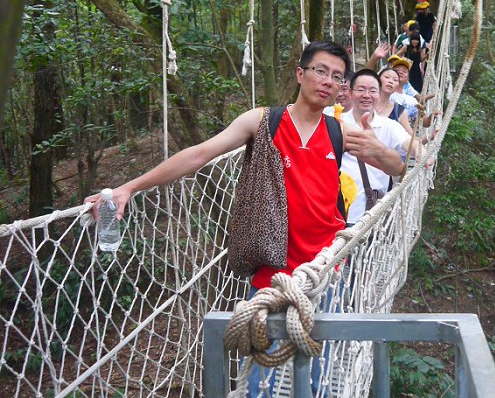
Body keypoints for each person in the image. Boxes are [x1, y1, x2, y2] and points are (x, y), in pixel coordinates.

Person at [84, 40, 404, 397]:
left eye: (337, 76)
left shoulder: (338, 131)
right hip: (273, 269)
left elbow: (397, 168)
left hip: (325, 269)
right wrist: (130, 187)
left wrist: (380, 150)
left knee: (320, 369)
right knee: (259, 376)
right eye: (320, 71)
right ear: (300, 74)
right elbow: (199, 155)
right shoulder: (264, 121)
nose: (328, 81)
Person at [340, 69, 418, 225]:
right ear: (350, 93)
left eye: (372, 91)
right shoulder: (336, 121)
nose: (366, 95)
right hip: (335, 213)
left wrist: (421, 152)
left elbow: (410, 143)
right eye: (361, 90)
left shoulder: (388, 126)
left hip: (370, 216)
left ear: (379, 94)